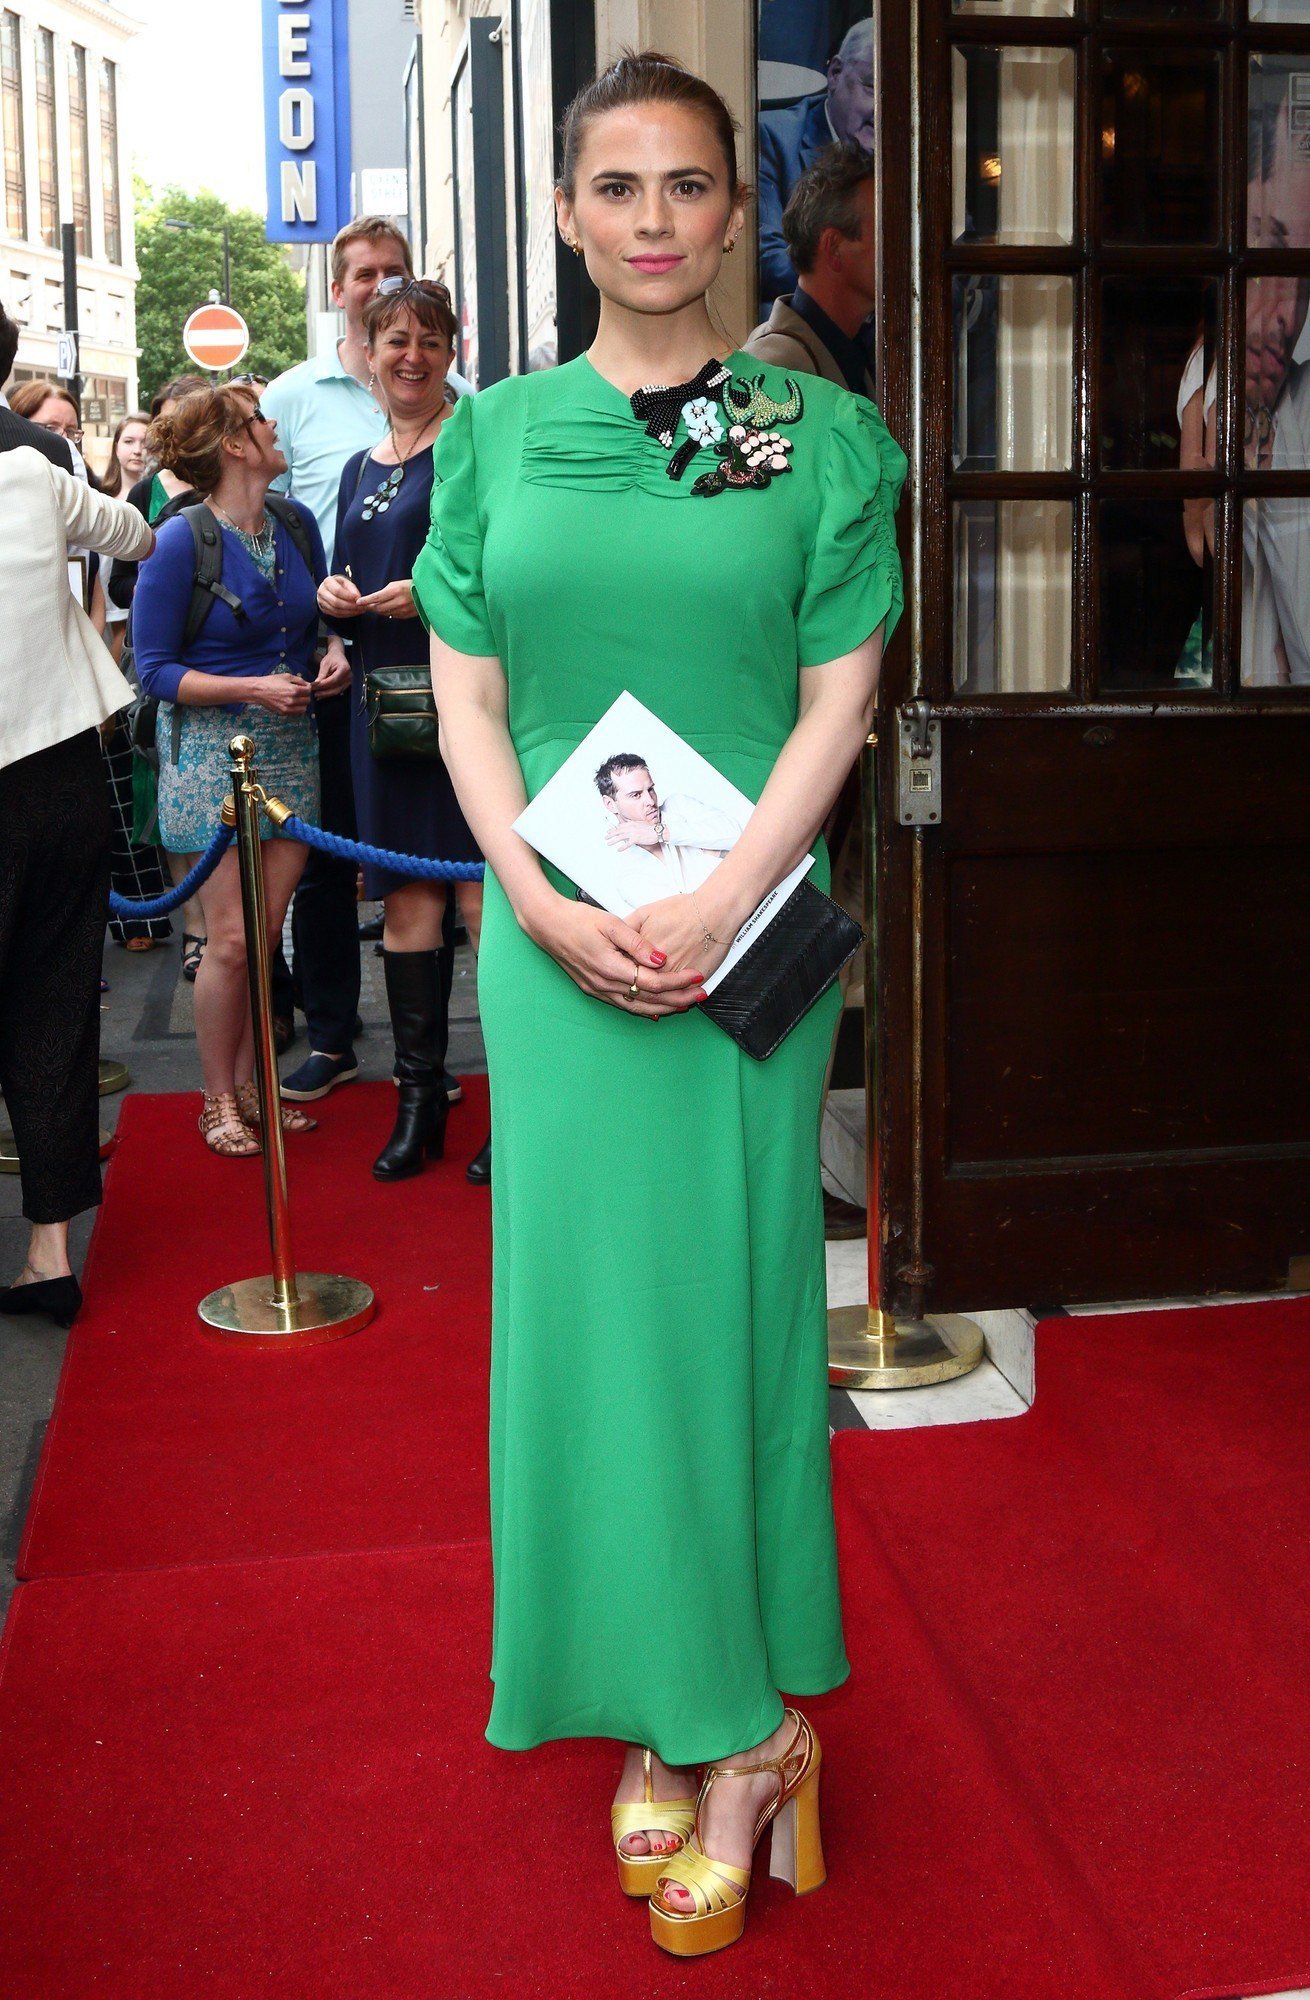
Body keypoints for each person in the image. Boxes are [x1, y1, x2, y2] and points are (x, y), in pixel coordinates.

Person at [413, 49, 905, 1957]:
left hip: (743, 944)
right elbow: (464, 697)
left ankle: (745, 1729)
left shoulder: (807, 432)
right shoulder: (497, 437)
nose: (650, 221)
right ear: (562, 210)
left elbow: (838, 702)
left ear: (734, 208)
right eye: (614, 187)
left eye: (687, 187)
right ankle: (659, 1685)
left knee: (730, 1313)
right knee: (584, 1337)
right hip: (553, 955)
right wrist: (530, 898)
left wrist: (724, 890)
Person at [131, 384, 351, 1157]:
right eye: (260, 420)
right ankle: (217, 1099)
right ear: (232, 444)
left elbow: (322, 624)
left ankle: (256, 1083)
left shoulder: (295, 520)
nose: (274, 425)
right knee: (227, 941)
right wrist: (251, 687)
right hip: (207, 757)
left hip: (292, 750)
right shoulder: (177, 540)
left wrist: (332, 656)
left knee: (262, 936)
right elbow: (153, 670)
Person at [0, 310, 155, 1329]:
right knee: (55, 1003)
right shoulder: (32, 478)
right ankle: (49, 1252)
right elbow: (135, 533)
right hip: (54, 775)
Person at [318, 277, 485, 1182]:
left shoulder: (477, 442)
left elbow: (511, 565)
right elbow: (351, 569)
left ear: (451, 347)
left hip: (466, 700)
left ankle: (516, 1114)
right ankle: (419, 1102)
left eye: (427, 338)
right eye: (394, 341)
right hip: (385, 711)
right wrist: (332, 605)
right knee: (408, 902)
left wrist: (430, 596)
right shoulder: (359, 463)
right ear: (368, 354)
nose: (411, 355)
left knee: (481, 903)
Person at [109, 374, 211, 978]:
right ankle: (195, 928)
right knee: (165, 796)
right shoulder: (143, 493)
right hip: (162, 665)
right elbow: (117, 581)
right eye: (168, 418)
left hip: (224, 663)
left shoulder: (231, 482)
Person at [744, 144, 877, 398]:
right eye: (884, 231)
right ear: (834, 248)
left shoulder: (855, 350)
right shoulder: (772, 372)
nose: (903, 248)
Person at [757, 20, 874, 305]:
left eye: (901, 95)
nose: (883, 109)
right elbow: (766, 260)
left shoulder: (912, 151)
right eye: (871, 87)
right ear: (834, 73)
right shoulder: (773, 137)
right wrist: (873, 278)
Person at [595, 753, 739, 901]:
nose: (650, 800)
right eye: (636, 795)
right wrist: (713, 853)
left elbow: (740, 836)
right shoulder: (628, 875)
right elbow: (691, 912)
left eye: (650, 789)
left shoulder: (678, 806)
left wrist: (662, 833)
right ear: (610, 804)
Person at [100, 410, 149, 500]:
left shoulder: (164, 498)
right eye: (129, 441)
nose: (137, 450)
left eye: (145, 443)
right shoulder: (100, 498)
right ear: (116, 448)